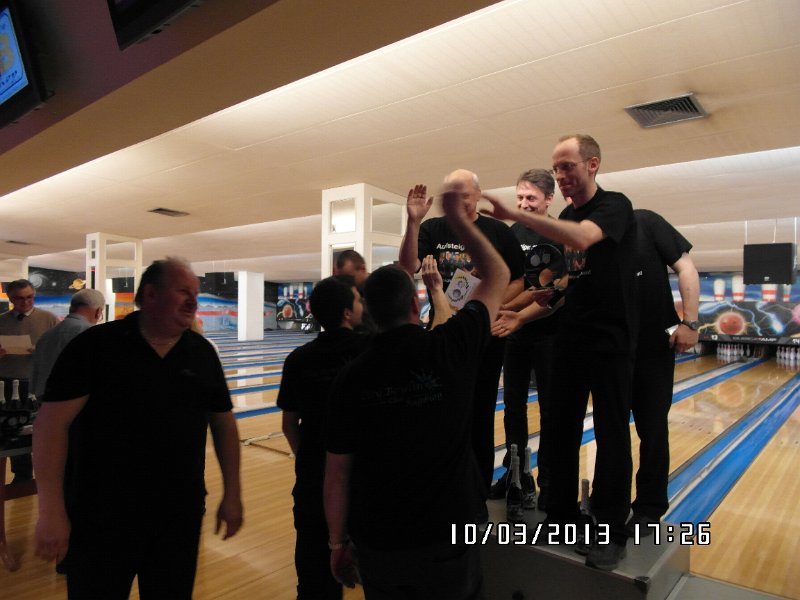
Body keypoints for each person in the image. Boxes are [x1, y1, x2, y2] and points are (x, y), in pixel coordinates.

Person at [324, 180, 509, 599]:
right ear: (414, 304)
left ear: (368, 314)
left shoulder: (350, 378)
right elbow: (498, 274)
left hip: (380, 539)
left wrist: (337, 543)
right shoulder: (451, 348)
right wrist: (461, 220)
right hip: (449, 532)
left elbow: (337, 474)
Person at [32, 257, 243, 599]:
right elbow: (50, 426)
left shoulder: (201, 353)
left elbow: (223, 424)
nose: (193, 301)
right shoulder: (96, 346)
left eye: (195, 293)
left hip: (178, 514)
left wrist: (232, 493)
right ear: (151, 294)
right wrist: (50, 510)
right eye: (182, 291)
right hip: (101, 514)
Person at [483, 134, 638, 571]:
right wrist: (522, 316)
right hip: (571, 337)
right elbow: (563, 284)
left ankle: (611, 530)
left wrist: (516, 214)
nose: (562, 174)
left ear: (592, 164)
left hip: (610, 339)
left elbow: (585, 238)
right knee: (560, 430)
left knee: (610, 434)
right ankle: (561, 517)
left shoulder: (613, 206)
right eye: (556, 168)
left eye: (568, 165)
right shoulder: (567, 215)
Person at [399, 170, 525, 501]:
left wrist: (492, 306)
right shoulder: (433, 229)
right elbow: (408, 266)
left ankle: (477, 493)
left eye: (464, 195)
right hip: (443, 335)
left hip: (484, 337)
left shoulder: (498, 232)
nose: (457, 200)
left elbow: (518, 279)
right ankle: (444, 487)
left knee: (480, 414)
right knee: (441, 411)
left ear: (478, 195)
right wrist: (413, 222)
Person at [278, 275, 369, 600]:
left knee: (314, 582)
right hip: (363, 482)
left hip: (313, 484)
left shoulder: (298, 359)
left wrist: (308, 458)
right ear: (347, 312)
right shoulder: (369, 351)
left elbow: (289, 424)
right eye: (358, 301)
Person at [488, 169, 564, 511]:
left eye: (531, 198)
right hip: (515, 335)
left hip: (549, 333)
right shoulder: (512, 233)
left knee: (550, 409)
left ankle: (549, 480)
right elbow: (507, 278)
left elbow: (550, 290)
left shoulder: (560, 234)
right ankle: (515, 475)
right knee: (513, 407)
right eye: (519, 197)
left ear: (549, 199)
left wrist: (508, 309)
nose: (523, 204)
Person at [629, 209, 699, 533]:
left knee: (653, 429)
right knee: (611, 431)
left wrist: (690, 323)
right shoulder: (586, 232)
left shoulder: (645, 221)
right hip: (611, 348)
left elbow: (686, 267)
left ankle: (649, 507)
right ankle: (610, 503)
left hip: (653, 345)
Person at [0, 278, 59, 482]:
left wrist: (41, 351)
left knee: (40, 429)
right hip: (7, 383)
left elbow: (60, 352)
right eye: (19, 298)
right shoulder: (2, 321)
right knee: (12, 429)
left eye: (30, 297)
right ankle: (21, 475)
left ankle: (44, 475)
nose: (25, 302)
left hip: (37, 383)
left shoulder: (49, 319)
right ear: (10, 299)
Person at [30, 288, 106, 400]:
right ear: (98, 312)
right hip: (77, 399)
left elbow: (35, 376)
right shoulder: (92, 333)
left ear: (71, 307)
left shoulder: (46, 335)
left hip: (46, 398)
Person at [333, 249, 376, 334]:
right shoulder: (346, 291)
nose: (345, 282)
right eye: (342, 278)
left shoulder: (379, 289)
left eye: (349, 277)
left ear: (363, 269)